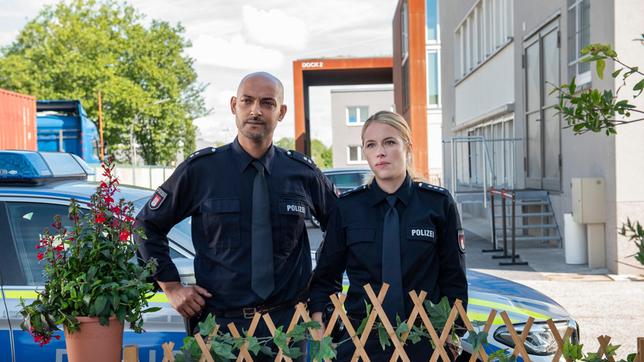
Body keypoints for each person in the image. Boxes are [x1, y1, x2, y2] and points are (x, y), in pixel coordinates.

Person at [135, 72, 337, 360]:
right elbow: (147, 224)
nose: (256, 110)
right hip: (220, 329)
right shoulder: (201, 171)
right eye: (247, 101)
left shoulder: (302, 173)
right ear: (234, 105)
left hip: (288, 327)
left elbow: (341, 227)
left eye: (267, 103)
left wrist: (321, 289)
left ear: (281, 112)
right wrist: (171, 286)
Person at [309, 110, 468, 361]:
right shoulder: (348, 208)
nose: (380, 152)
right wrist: (321, 323)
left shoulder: (437, 204)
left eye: (390, 142)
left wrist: (452, 330)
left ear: (408, 146)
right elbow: (326, 276)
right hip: (362, 339)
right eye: (371, 145)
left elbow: (453, 277)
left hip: (425, 339)